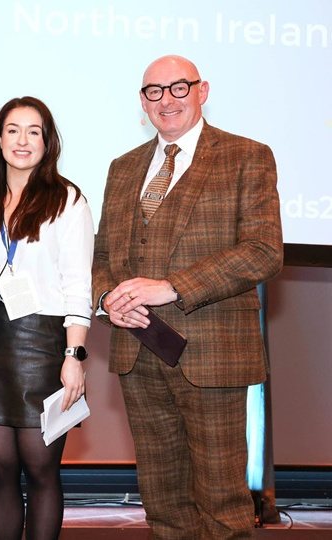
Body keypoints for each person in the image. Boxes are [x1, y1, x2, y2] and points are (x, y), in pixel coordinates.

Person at [92, 55, 283, 539]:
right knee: (164, 504)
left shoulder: (247, 155)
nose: (167, 100)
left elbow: (263, 251)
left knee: (223, 506)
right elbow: (100, 257)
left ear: (203, 90)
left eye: (179, 87)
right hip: (138, 353)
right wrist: (107, 296)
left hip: (213, 355)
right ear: (143, 101)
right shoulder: (122, 168)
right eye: (154, 91)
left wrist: (173, 286)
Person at [0, 97, 93, 540]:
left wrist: (74, 355)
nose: (22, 140)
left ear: (47, 141)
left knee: (41, 473)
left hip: (44, 343)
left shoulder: (68, 200)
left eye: (33, 131)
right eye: (13, 130)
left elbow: (78, 286)